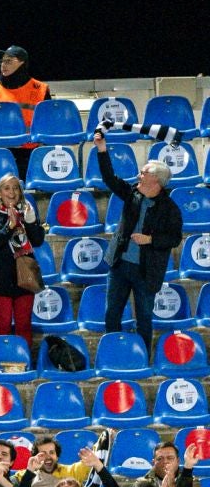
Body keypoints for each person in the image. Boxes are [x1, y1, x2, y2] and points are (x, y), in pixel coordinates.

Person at [96, 127, 183, 350]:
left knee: (144, 318)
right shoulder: (133, 193)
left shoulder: (170, 209)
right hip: (120, 265)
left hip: (147, 271)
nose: (138, 175)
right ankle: (114, 353)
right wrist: (101, 149)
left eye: (143, 173)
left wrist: (150, 240)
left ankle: (142, 355)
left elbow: (174, 238)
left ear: (156, 180)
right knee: (111, 313)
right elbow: (109, 178)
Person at [0, 175, 45, 344]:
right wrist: (9, 226)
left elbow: (38, 241)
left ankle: (25, 364)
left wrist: (31, 222)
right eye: (7, 188)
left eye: (15, 188)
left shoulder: (27, 213)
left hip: (24, 278)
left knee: (24, 326)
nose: (12, 192)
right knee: (2, 326)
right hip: (0, 279)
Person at [0, 47, 50, 175]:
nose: (3, 65)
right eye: (2, 61)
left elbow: (48, 124)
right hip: (0, 152)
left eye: (9, 61)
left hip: (31, 152)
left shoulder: (40, 89)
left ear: (22, 63)